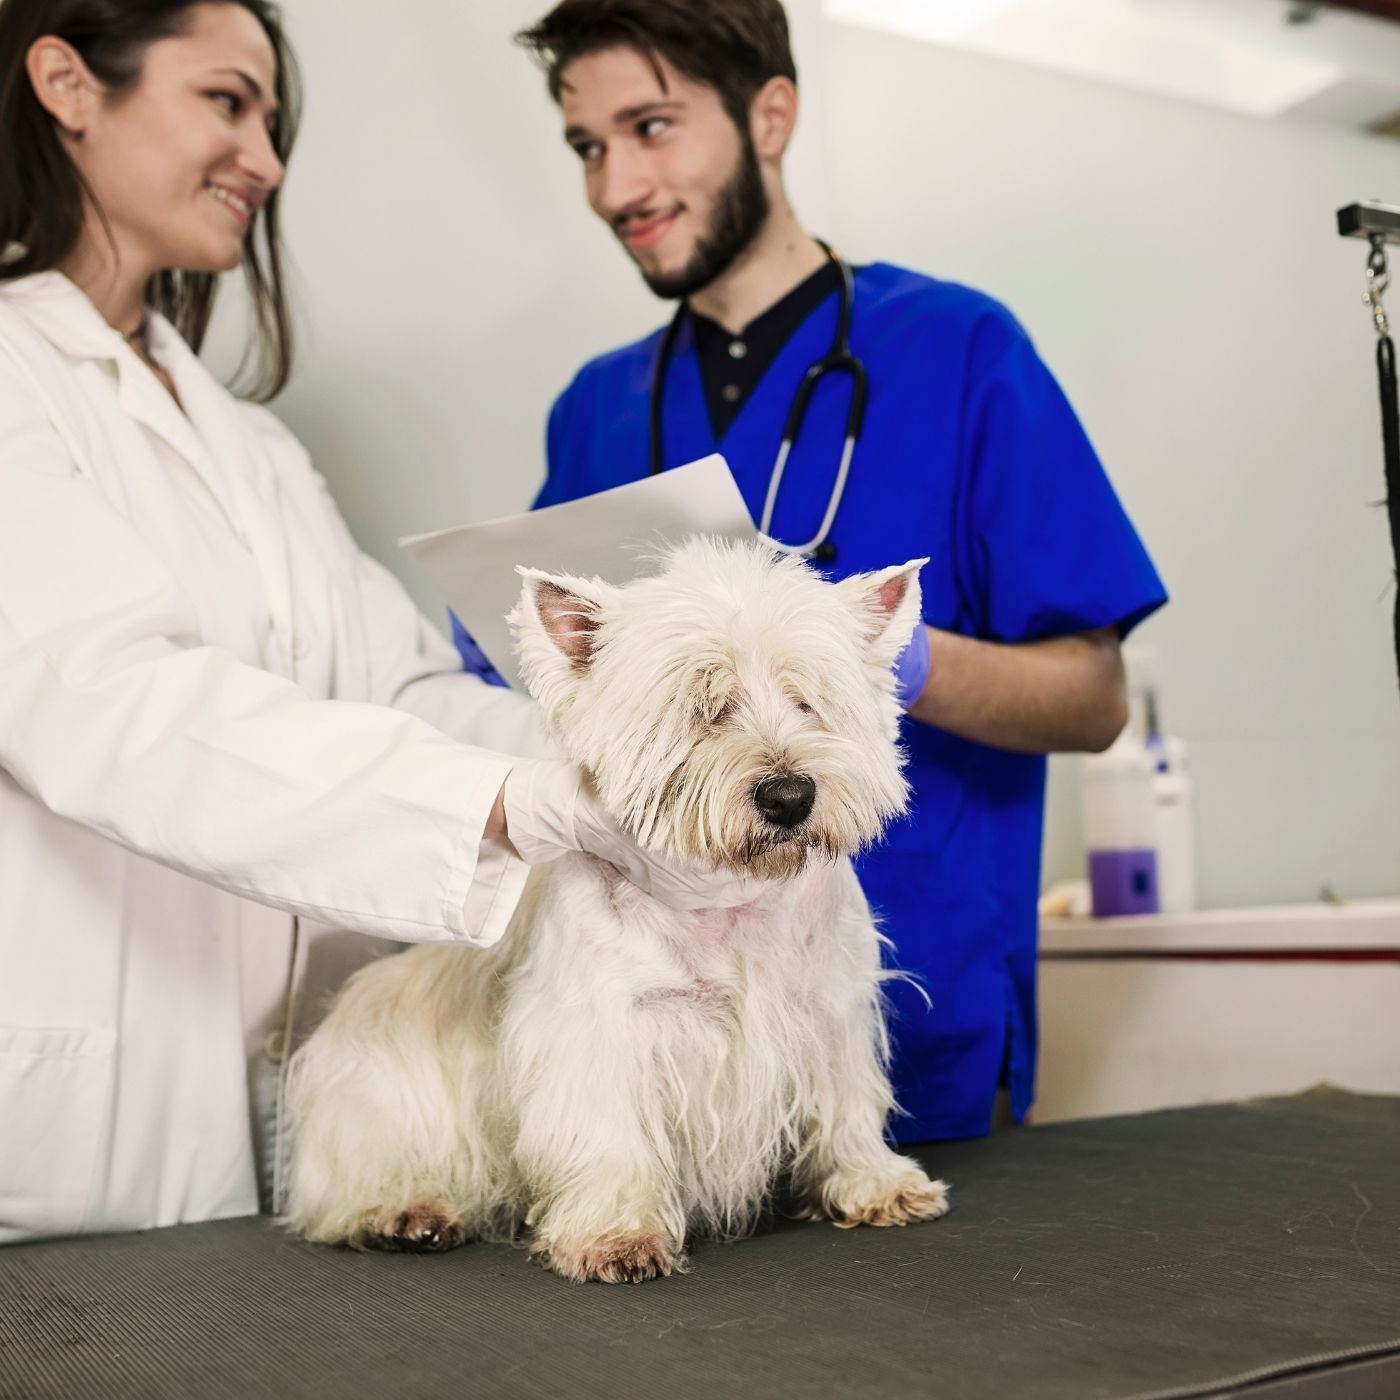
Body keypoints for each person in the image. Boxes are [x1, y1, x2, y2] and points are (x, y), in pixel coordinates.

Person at [0, 0, 761, 1245]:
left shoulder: (249, 445)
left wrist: (634, 741)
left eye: (271, 118)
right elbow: (116, 701)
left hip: (262, 1107)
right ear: (67, 85)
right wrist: (516, 806)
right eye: (227, 101)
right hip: (73, 1129)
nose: (267, 158)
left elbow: (398, 691)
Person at [475, 0, 1169, 1143]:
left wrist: (881, 663)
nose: (615, 187)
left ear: (771, 113)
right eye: (588, 147)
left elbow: (1093, 700)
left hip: (909, 1031)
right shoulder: (596, 408)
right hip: (659, 1072)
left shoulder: (959, 351)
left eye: (651, 127)